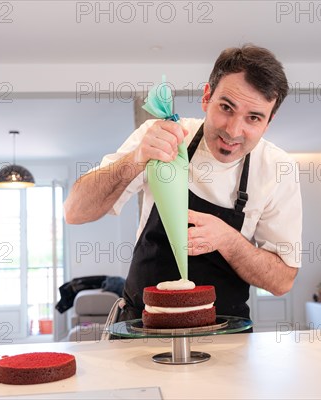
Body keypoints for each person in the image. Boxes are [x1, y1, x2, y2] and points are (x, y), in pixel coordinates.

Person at [64, 44, 302, 322]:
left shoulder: (278, 168)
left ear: (268, 122)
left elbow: (282, 281)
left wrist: (227, 240)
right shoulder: (164, 137)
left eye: (253, 118)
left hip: (225, 337)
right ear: (206, 98)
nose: (234, 131)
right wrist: (136, 158)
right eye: (226, 107)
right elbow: (74, 211)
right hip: (141, 325)